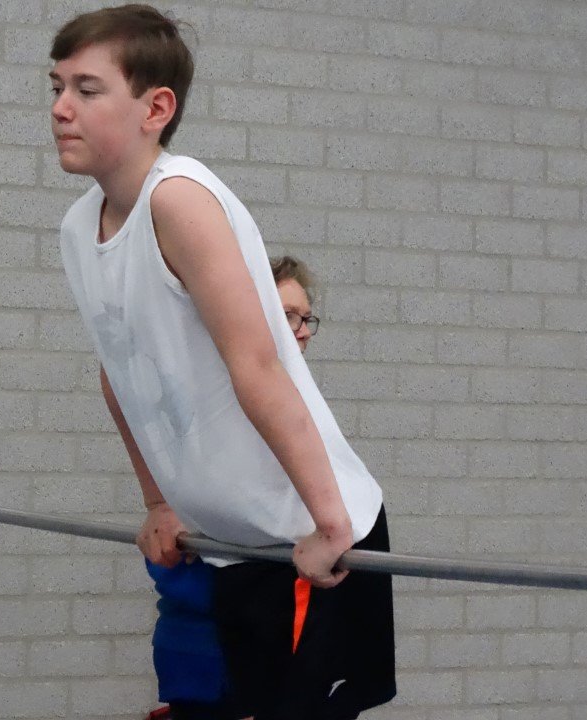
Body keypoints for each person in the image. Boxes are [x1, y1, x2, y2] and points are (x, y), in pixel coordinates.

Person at [49, 6, 395, 719]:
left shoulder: (180, 200)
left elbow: (258, 366)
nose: (60, 108)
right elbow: (121, 377)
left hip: (309, 531)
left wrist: (330, 523)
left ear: (156, 108)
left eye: (86, 89)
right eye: (56, 87)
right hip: (233, 545)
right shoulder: (79, 227)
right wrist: (157, 502)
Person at [146, 256, 322, 720]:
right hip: (221, 641)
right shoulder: (214, 405)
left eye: (306, 318)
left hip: (251, 634)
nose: (302, 330)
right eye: (288, 315)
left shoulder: (297, 408)